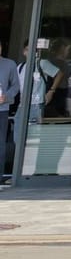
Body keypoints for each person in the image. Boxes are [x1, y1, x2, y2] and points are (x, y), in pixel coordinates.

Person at [0, 49, 17, 186]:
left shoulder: (9, 64)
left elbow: (16, 85)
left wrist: (7, 97)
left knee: (0, 144)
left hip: (2, 110)